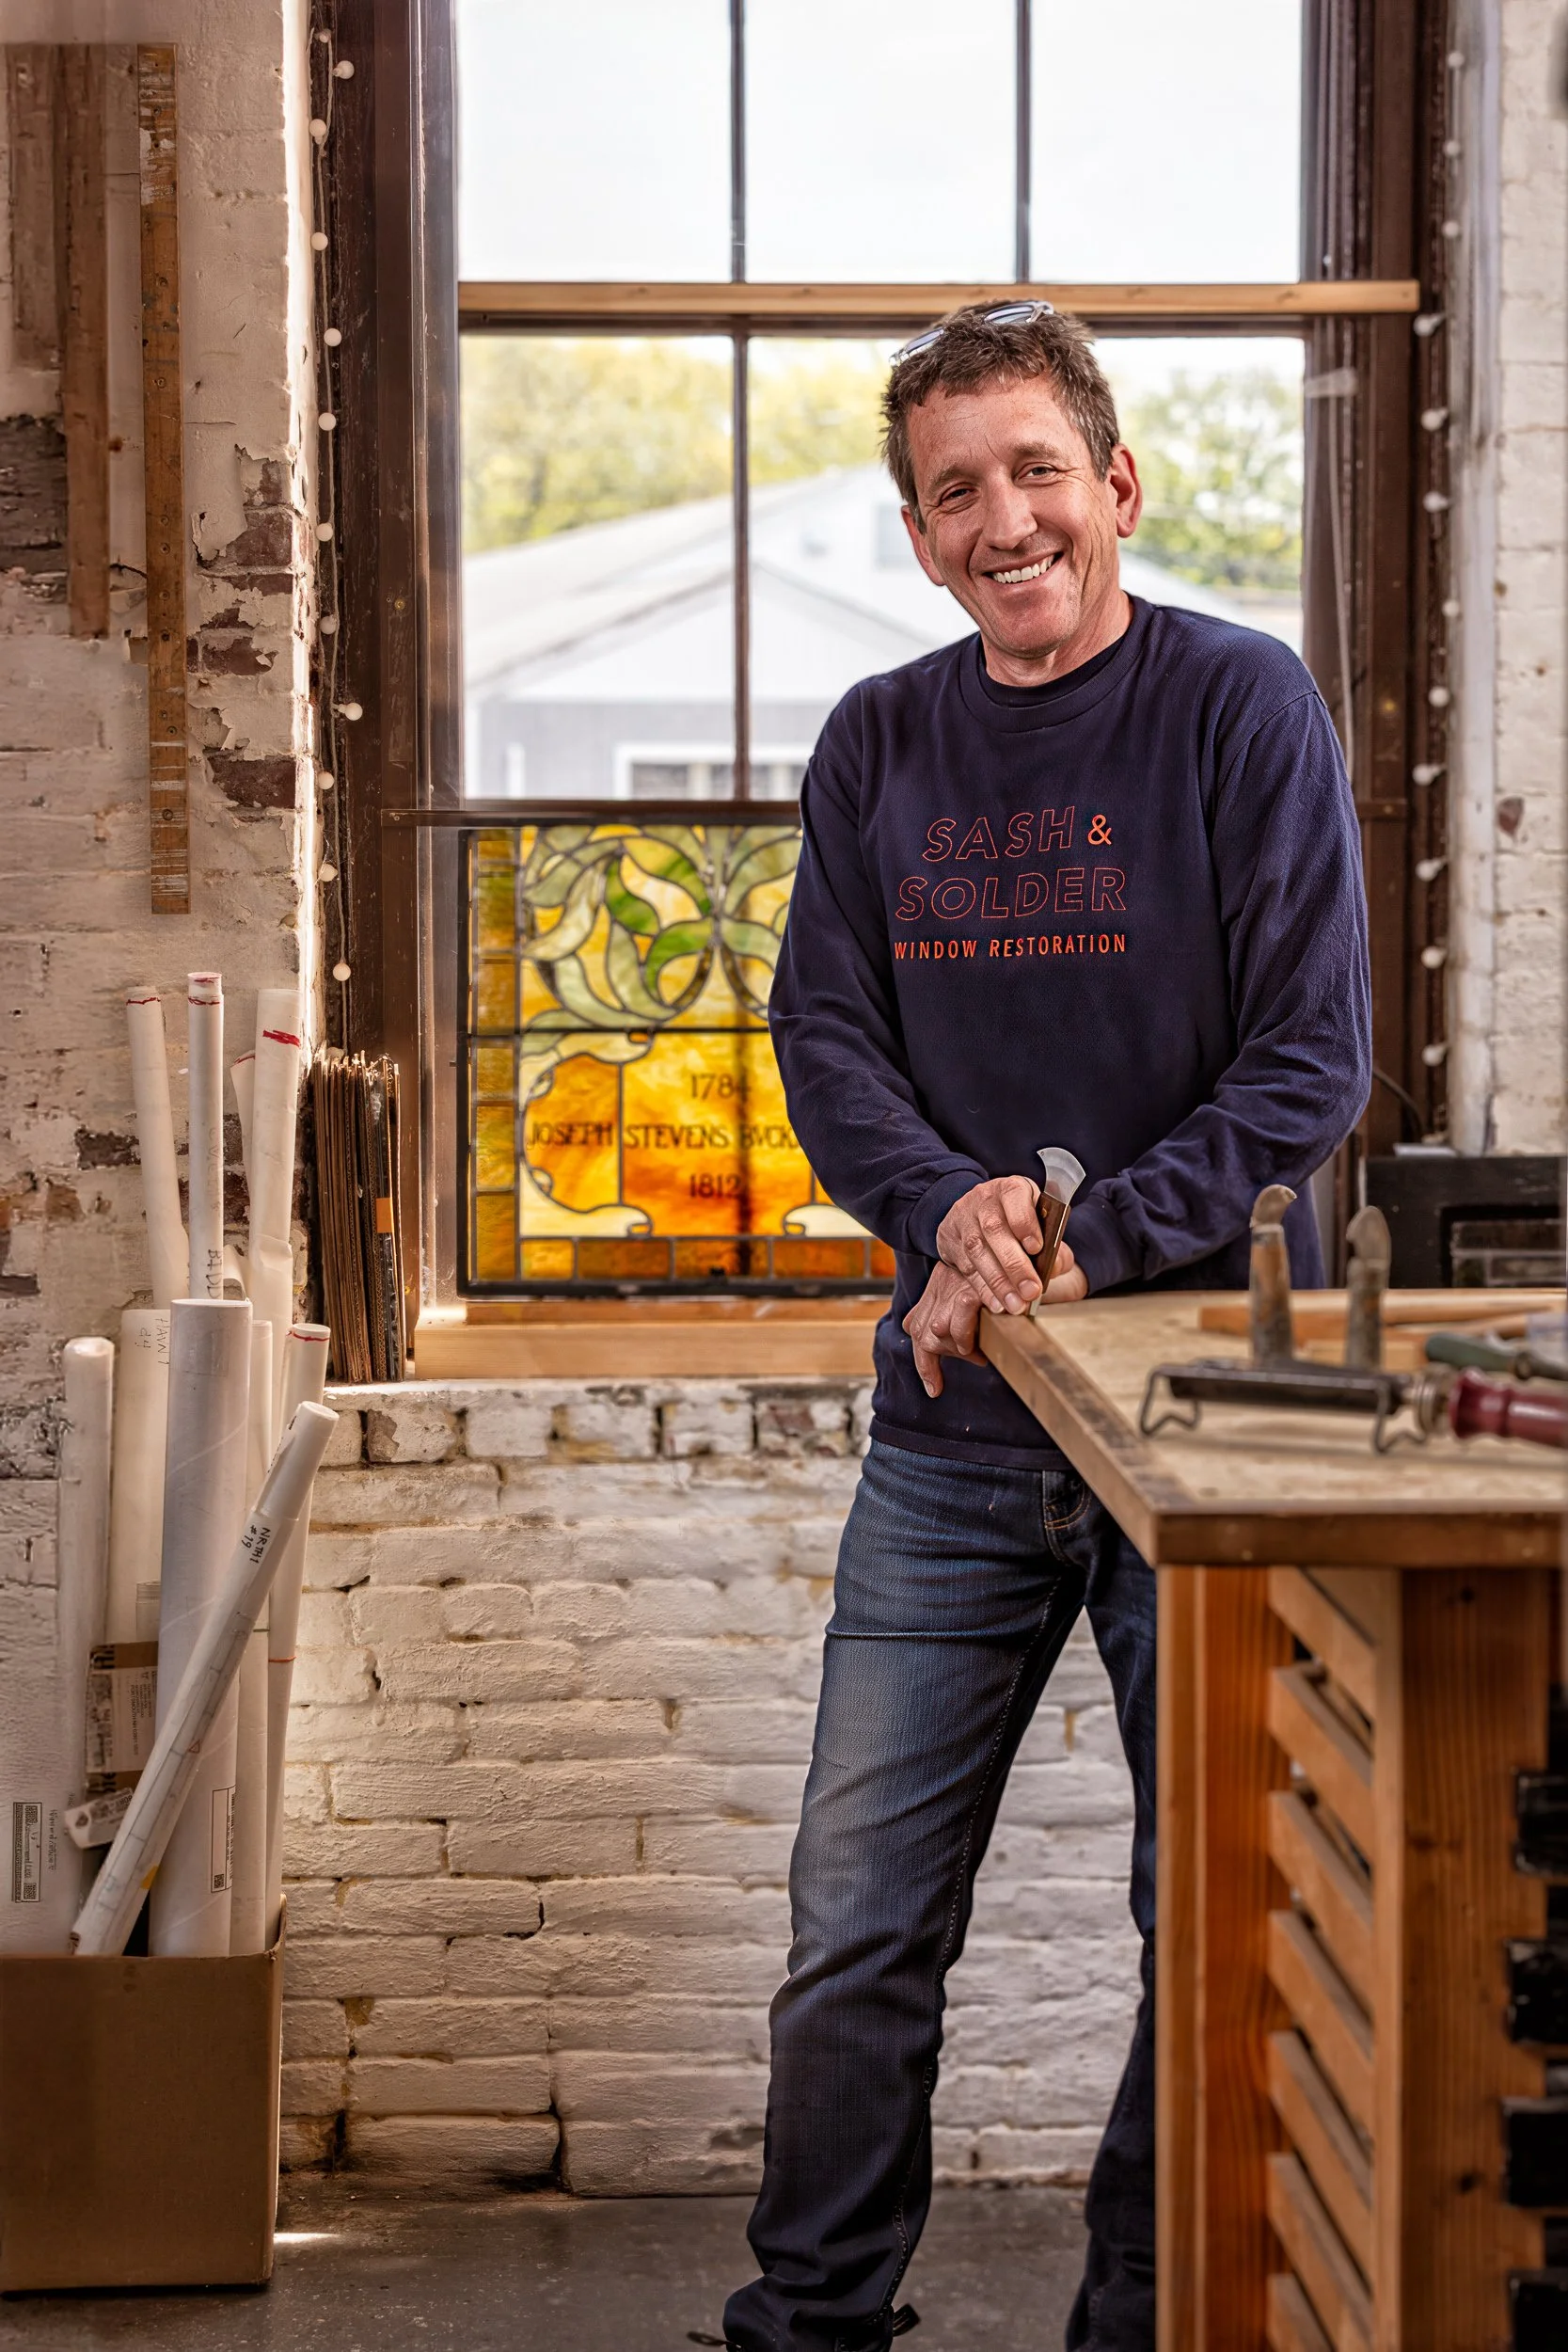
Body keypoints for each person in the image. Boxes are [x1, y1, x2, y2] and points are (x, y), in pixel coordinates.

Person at [721, 303, 1371, 2352]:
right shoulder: (878, 743)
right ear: (918, 538)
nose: (999, 519)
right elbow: (822, 1042)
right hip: (951, 1424)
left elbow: (1305, 1064)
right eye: (950, 491)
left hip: (1194, 1419)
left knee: (1213, 1922)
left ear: (1114, 487)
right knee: (854, 1928)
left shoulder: (1238, 707)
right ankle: (808, 2321)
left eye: (1030, 472)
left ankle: (1131, 2315)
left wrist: (1086, 1235)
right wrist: (947, 1211)